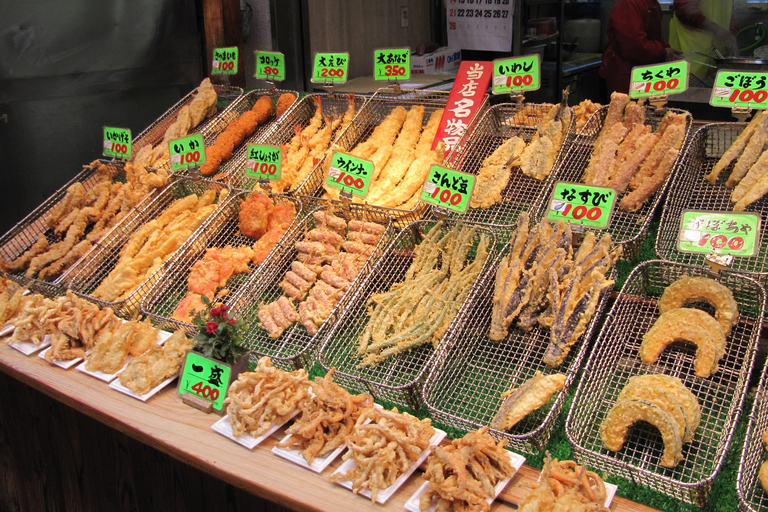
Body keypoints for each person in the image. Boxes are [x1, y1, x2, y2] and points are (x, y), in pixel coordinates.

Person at [600, 0, 682, 95]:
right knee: (626, 107)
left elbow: (653, 36)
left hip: (642, 74)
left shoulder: (652, 3)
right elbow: (632, 45)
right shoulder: (629, 3)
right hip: (625, 75)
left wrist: (666, 48)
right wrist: (663, 52)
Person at [670, 0, 737, 80]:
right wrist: (718, 30)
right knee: (687, 88)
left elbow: (728, 11)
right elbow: (684, 11)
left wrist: (731, 35)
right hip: (691, 51)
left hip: (716, 53)